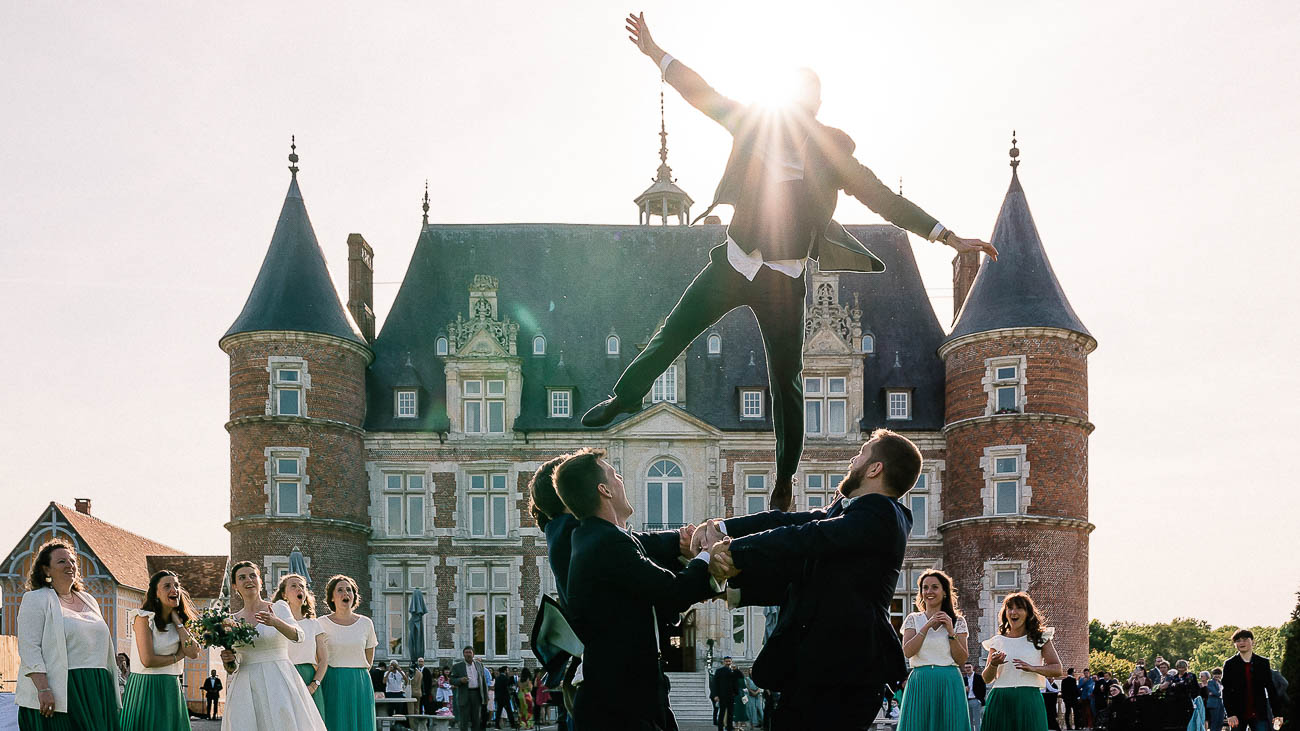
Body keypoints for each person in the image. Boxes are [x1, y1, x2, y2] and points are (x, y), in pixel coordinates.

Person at [581, 12, 999, 513]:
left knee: (787, 381)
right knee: (672, 333)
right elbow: (702, 93)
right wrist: (656, 54)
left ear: (816, 108)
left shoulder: (833, 152)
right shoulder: (754, 123)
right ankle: (624, 400)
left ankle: (783, 479)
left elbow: (885, 200)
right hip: (736, 263)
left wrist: (947, 237)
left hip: (784, 280)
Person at [704, 430, 919, 730]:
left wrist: (734, 551)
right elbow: (783, 523)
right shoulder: (845, 514)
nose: (853, 459)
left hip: (847, 673)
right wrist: (720, 529)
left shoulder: (883, 514)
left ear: (874, 468)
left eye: (863, 452)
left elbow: (807, 537)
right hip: (813, 670)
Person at [554, 447, 719, 730]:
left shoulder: (595, 539)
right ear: (604, 490)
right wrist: (708, 552)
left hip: (630, 700)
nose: (621, 479)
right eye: (615, 474)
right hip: (621, 708)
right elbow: (673, 591)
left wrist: (683, 551)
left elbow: (653, 589)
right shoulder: (607, 544)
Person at [16, 540, 120, 730]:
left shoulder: (89, 600)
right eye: (62, 561)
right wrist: (43, 689)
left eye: (72, 561)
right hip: (63, 687)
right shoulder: (35, 599)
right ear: (46, 570)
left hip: (97, 686)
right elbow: (29, 648)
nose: (70, 565)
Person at [219, 560, 326, 730]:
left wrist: (276, 622)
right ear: (234, 586)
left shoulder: (279, 607)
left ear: (260, 582)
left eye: (253, 575)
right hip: (246, 683)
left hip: (278, 678)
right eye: (242, 577)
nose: (249, 580)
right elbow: (233, 667)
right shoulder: (232, 620)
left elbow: (299, 635)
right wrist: (228, 660)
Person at [121, 570, 200, 731]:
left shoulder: (181, 624)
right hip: (146, 686)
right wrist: (177, 656)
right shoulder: (143, 618)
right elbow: (148, 660)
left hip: (171, 688)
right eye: (167, 586)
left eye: (176, 585)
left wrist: (178, 622)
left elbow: (193, 652)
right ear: (156, 594)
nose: (174, 590)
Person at [897, 569, 971, 731]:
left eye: (934, 587)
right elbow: (908, 652)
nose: (929, 591)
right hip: (920, 681)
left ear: (944, 592)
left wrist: (951, 632)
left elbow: (961, 659)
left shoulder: (958, 621)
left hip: (949, 681)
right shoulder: (913, 619)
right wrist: (927, 625)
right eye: (925, 587)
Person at [979, 592, 1064, 731]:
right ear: (1005, 613)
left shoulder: (1040, 638)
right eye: (1009, 608)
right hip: (1000, 699)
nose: (1013, 612)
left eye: (1019, 608)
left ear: (1028, 613)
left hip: (1029, 699)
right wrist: (993, 664)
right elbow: (987, 679)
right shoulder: (997, 641)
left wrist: (1033, 668)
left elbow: (1057, 669)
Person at [316, 574, 378, 731]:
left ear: (354, 596)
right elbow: (317, 657)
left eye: (349, 590)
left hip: (360, 681)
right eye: (340, 590)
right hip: (332, 680)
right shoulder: (321, 623)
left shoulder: (366, 623)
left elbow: (369, 658)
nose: (345, 594)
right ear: (331, 597)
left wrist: (356, 673)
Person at [274, 574, 328, 718]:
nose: (299, 589)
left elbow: (323, 660)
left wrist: (313, 685)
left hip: (308, 676)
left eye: (302, 586)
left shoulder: (314, 624)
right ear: (284, 595)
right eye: (294, 586)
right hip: (283, 676)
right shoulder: (275, 623)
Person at [1223, 629, 1280, 731]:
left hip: (1259, 713)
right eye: (1238, 640)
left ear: (1252, 641)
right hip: (1237, 714)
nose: (1241, 643)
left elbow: (1271, 689)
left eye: (1245, 639)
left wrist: (1277, 714)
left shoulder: (1263, 663)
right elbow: (1226, 691)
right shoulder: (1230, 664)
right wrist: (1230, 714)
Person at [451, 646, 489, 731]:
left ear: (473, 654)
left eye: (470, 652)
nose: (468, 654)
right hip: (465, 694)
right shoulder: (458, 666)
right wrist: (460, 680)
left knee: (476, 719)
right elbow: (451, 680)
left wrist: (486, 696)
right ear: (463, 654)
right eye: (466, 652)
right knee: (464, 719)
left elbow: (483, 681)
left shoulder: (479, 665)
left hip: (476, 694)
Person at [714, 657, 742, 731]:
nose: (728, 663)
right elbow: (715, 684)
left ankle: (729, 728)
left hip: (732, 695)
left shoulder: (734, 670)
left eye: (729, 661)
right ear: (724, 662)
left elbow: (741, 677)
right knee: (722, 713)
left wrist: (736, 670)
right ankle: (720, 729)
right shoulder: (719, 671)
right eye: (726, 661)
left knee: (730, 713)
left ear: (731, 662)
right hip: (722, 695)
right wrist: (716, 695)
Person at [962, 663, 987, 731]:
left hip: (976, 700)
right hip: (967, 701)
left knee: (977, 720)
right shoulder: (963, 679)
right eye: (966, 667)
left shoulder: (979, 677)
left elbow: (983, 689)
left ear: (972, 668)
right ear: (964, 669)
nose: (968, 669)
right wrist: (964, 689)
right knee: (969, 721)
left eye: (969, 667)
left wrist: (980, 700)